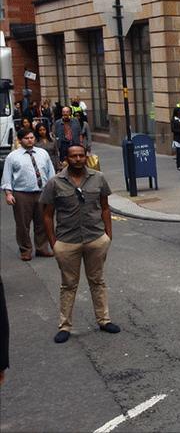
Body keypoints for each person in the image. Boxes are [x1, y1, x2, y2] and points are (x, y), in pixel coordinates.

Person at [41, 145, 119, 344]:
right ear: (66, 158)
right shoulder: (55, 182)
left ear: (86, 157)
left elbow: (105, 208)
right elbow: (48, 215)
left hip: (95, 238)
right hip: (67, 241)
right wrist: (54, 243)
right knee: (68, 285)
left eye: (81, 155)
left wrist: (107, 236)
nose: (77, 159)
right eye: (73, 156)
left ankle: (104, 320)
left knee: (98, 281)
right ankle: (65, 326)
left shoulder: (98, 178)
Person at [2, 129, 57, 261]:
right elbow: (7, 176)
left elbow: (51, 173)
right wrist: (8, 193)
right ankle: (25, 250)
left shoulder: (42, 153)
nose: (30, 140)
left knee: (42, 222)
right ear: (20, 140)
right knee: (22, 224)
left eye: (32, 137)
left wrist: (54, 190)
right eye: (26, 138)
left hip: (42, 193)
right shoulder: (12, 156)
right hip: (22, 193)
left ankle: (42, 248)